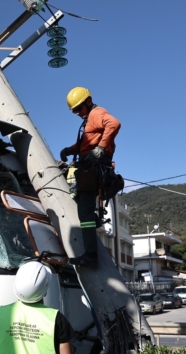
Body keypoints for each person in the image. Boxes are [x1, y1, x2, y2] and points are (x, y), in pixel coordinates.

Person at [59, 87, 121, 268]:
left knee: (84, 212)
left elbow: (114, 124)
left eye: (79, 108)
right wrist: (71, 150)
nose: (77, 113)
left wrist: (100, 148)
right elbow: (87, 142)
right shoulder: (90, 119)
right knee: (79, 201)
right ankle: (95, 221)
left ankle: (90, 256)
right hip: (89, 168)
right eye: (74, 111)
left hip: (94, 168)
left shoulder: (97, 113)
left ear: (88, 102)